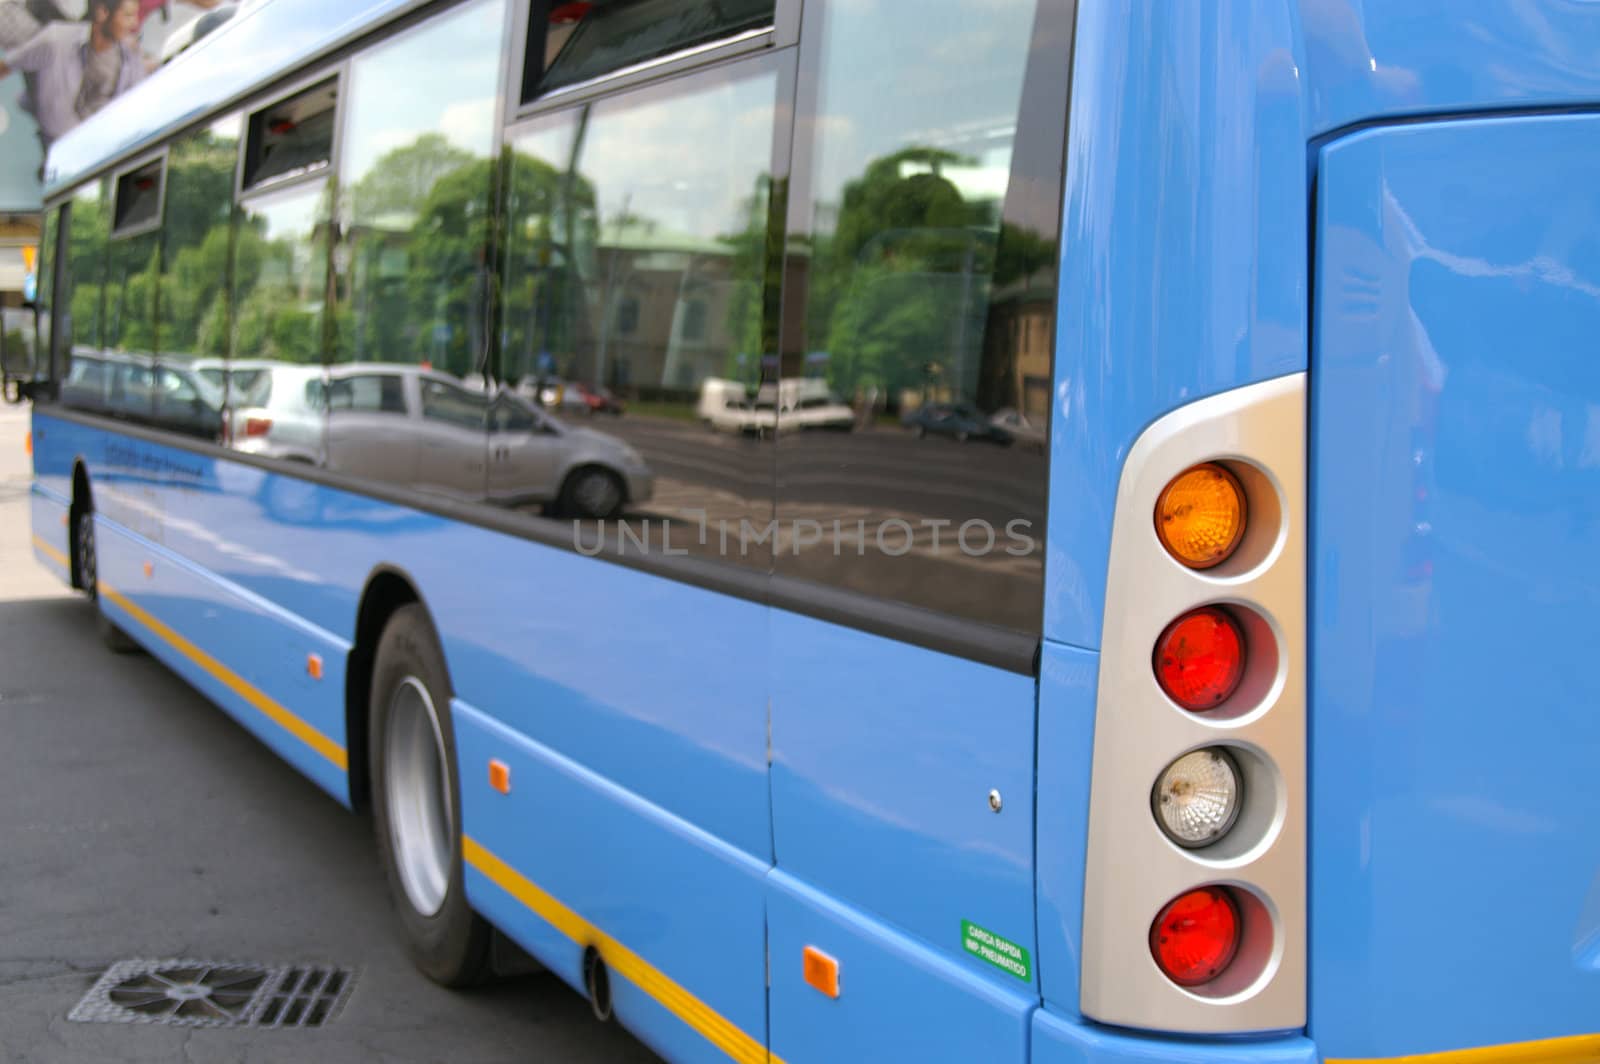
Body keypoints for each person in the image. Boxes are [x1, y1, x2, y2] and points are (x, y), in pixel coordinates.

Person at [0, 0, 144, 148]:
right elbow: (7, 65)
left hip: (105, 148)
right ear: (102, 13)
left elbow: (138, 106)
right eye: (128, 16)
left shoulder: (130, 56)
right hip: (58, 146)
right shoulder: (57, 40)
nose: (134, 24)